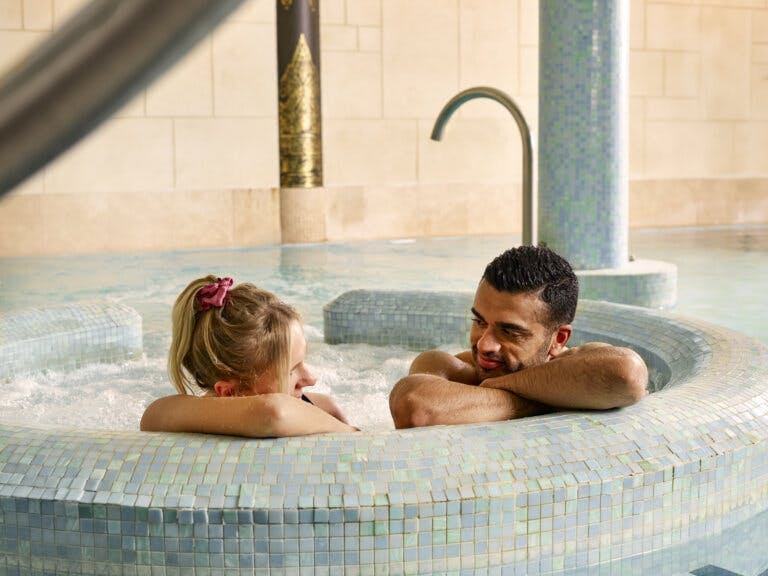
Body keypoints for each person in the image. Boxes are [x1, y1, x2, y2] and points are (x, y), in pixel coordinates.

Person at [389, 246, 649, 429]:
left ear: (559, 339)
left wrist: (495, 391)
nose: (484, 345)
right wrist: (548, 400)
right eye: (479, 321)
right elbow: (413, 404)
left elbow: (627, 374)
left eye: (510, 331)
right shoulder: (450, 368)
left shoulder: (580, 362)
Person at [141, 276, 357, 437]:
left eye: (303, 362)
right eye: (291, 370)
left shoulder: (325, 409)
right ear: (229, 392)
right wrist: (346, 430)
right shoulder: (165, 414)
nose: (311, 378)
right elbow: (273, 412)